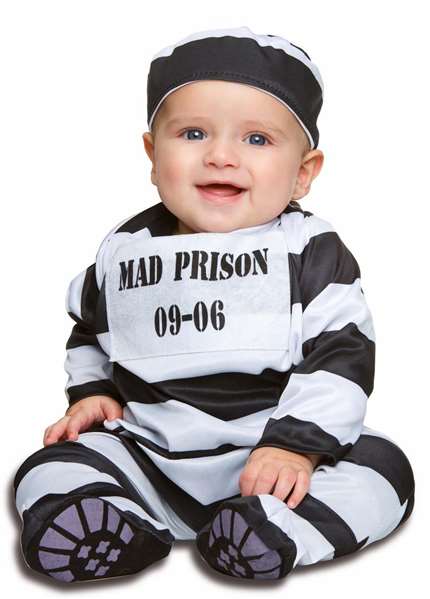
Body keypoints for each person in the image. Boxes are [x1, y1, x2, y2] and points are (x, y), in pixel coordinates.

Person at [12, 26, 415, 583]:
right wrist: (94, 393)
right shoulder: (125, 250)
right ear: (153, 155)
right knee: (49, 466)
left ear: (303, 173)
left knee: (384, 469)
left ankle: (272, 531)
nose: (221, 156)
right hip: (152, 457)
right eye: (194, 133)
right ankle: (115, 522)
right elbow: (91, 327)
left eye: (257, 139)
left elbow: (341, 356)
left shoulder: (309, 251)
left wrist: (296, 448)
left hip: (275, 464)